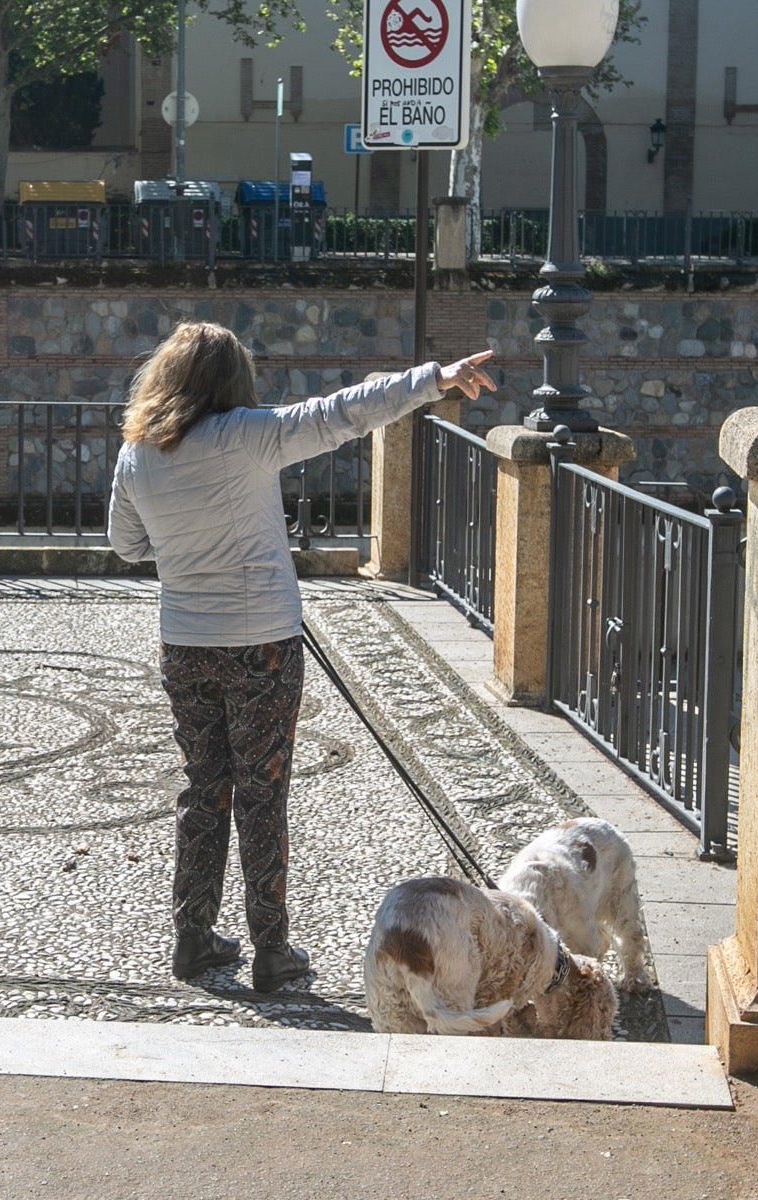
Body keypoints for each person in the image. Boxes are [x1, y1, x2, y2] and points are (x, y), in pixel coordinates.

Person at [106, 322, 496, 992]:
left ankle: (192, 939)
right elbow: (343, 412)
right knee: (262, 797)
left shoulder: (137, 453)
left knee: (203, 793)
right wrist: (433, 378)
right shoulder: (250, 436)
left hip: (186, 645)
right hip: (261, 646)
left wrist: (183, 544)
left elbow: (127, 545)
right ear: (235, 381)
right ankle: (271, 949)